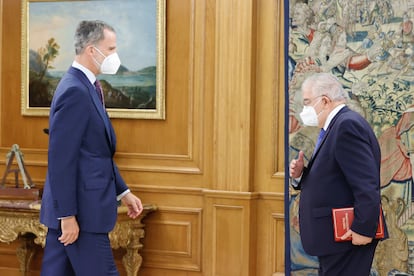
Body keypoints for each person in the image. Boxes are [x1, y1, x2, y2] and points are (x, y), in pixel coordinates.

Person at [40, 20, 143, 276]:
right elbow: (61, 160)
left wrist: (123, 192)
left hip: (80, 212)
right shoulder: (75, 90)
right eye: (110, 49)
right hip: (81, 216)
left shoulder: (88, 87)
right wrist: (67, 216)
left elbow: (96, 152)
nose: (114, 56)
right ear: (91, 50)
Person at [289, 72, 388, 276]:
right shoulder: (338, 125)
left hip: (348, 236)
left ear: (325, 100)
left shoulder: (346, 125)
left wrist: (363, 228)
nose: (304, 109)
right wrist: (301, 175)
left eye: (307, 102)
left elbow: (366, 184)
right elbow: (336, 178)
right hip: (335, 238)